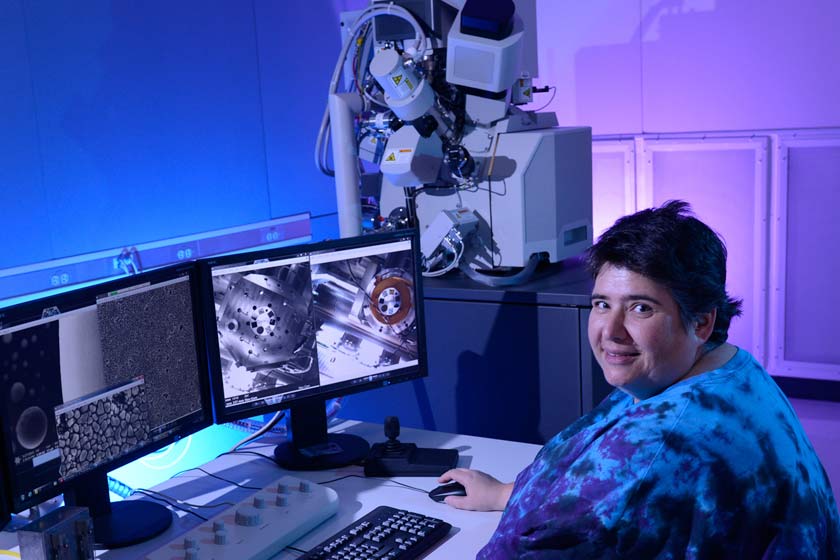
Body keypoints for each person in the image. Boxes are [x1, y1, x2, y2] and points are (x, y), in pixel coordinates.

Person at [439, 200, 840, 558]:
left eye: (641, 308)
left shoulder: (658, 447)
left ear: (701, 321)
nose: (610, 330)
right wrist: (502, 494)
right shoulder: (728, 369)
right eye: (601, 304)